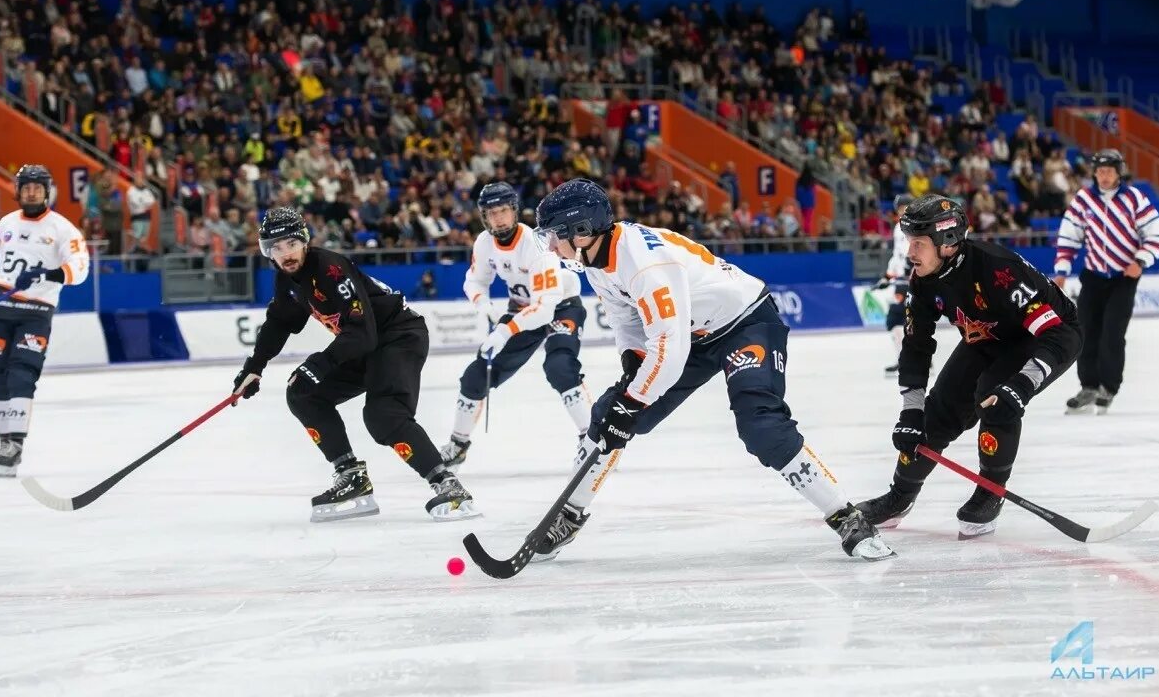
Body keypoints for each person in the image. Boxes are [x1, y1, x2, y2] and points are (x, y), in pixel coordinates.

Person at [529, 179, 894, 562]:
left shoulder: (643, 263)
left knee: (761, 425)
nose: (551, 247)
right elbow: (627, 322)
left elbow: (670, 347)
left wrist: (634, 401)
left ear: (582, 231)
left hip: (745, 322)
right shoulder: (595, 261)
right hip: (693, 334)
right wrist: (630, 371)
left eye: (555, 236)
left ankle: (845, 516)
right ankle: (568, 514)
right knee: (606, 415)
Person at [230, 206, 479, 523]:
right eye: (276, 248)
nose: (286, 254)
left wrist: (321, 363)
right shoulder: (288, 280)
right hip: (364, 342)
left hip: (398, 335)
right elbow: (279, 322)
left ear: (305, 242)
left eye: (291, 244)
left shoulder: (330, 269)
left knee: (383, 415)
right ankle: (351, 477)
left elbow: (362, 333)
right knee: (303, 392)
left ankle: (447, 484)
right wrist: (254, 367)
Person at [856, 195, 1082, 538]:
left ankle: (990, 492)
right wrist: (910, 412)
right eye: (907, 241)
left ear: (947, 243)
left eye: (918, 243)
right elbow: (916, 347)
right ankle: (900, 496)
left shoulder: (998, 270)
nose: (910, 252)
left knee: (996, 399)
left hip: (1039, 339)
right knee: (935, 414)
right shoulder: (924, 280)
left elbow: (1059, 335)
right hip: (986, 338)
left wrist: (1022, 385)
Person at [440, 182, 591, 468]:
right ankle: (458, 445)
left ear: (515, 211)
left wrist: (504, 329)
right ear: (483, 216)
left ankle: (593, 439)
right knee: (476, 375)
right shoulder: (485, 242)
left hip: (560, 306)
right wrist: (484, 306)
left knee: (560, 367)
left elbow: (545, 308)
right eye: (491, 212)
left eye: (503, 211)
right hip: (522, 310)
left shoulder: (536, 243)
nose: (498, 218)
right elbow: (475, 280)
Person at [0, 164, 89, 477]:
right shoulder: (6, 222)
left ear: (48, 191)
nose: (31, 192)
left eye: (37, 187)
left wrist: (47, 274)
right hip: (2, 307)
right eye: (26, 187)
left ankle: (15, 443)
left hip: (37, 310)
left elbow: (80, 268)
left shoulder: (63, 228)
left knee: (21, 373)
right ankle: (5, 443)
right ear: (18, 191)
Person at [1054, 149, 1159, 414]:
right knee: (1086, 331)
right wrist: (1061, 270)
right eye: (1100, 171)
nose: (1104, 177)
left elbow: (1154, 235)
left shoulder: (1134, 198)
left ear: (1119, 172)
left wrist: (1140, 261)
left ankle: (1108, 387)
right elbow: (1069, 237)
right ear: (1094, 173)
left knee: (1112, 333)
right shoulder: (1084, 200)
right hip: (1092, 276)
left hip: (1123, 278)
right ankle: (1088, 386)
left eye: (1109, 171)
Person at [879, 193, 913, 376]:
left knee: (896, 318)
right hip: (902, 278)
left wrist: (911, 265)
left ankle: (907, 360)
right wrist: (888, 275)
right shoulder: (898, 228)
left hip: (912, 279)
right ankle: (914, 360)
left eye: (906, 208)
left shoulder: (916, 226)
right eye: (900, 209)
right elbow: (897, 255)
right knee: (905, 320)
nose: (903, 212)